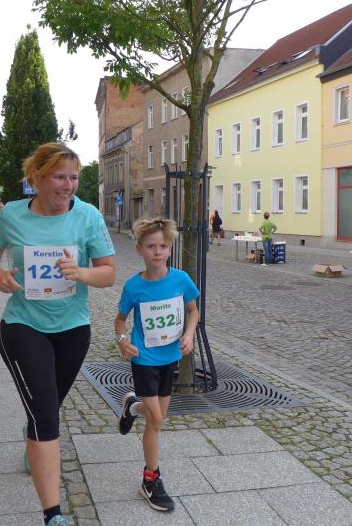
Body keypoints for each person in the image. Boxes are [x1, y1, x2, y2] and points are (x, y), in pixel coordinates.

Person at [0, 142, 116, 526]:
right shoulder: (13, 215)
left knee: (47, 408)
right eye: (59, 177)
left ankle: (34, 440)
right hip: (23, 327)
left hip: (73, 330)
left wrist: (82, 273)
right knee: (46, 417)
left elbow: (108, 272)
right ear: (36, 177)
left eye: (74, 177)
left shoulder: (88, 216)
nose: (68, 185)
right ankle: (53, 515)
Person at [114, 217, 200, 512]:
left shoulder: (181, 280)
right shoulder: (134, 286)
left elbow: (193, 311)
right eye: (151, 246)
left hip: (169, 358)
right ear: (139, 249)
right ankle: (151, 479)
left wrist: (189, 334)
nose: (158, 252)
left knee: (156, 416)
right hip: (144, 359)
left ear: (170, 249)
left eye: (163, 246)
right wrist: (123, 341)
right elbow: (120, 319)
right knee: (158, 420)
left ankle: (132, 407)